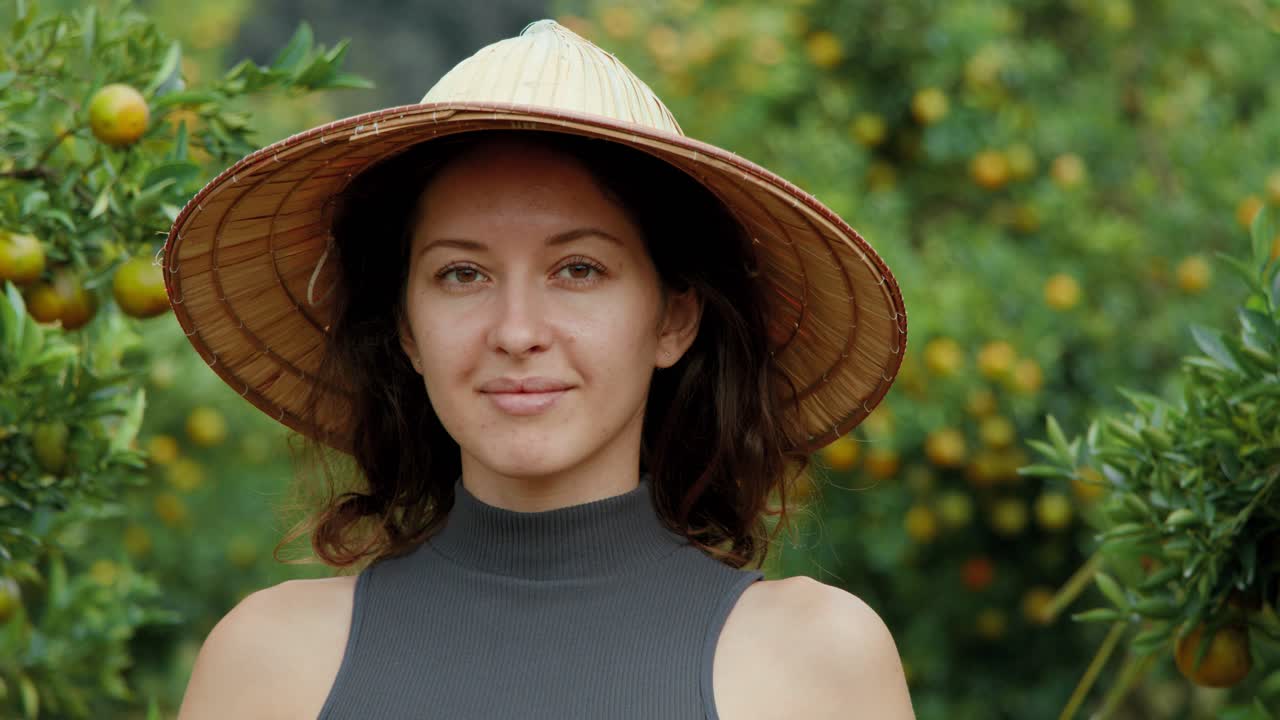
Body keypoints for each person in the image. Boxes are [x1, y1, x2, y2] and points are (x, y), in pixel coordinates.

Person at [171, 18, 912, 720]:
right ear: (405, 328)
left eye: (579, 269)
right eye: (462, 274)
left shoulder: (814, 666)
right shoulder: (267, 668)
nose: (517, 331)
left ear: (673, 318)